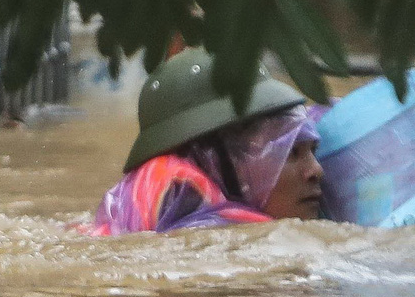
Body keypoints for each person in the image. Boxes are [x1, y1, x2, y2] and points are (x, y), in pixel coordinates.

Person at [89, 47, 323, 235]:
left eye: (313, 150)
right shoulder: (202, 236)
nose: (316, 170)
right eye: (290, 152)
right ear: (215, 159)